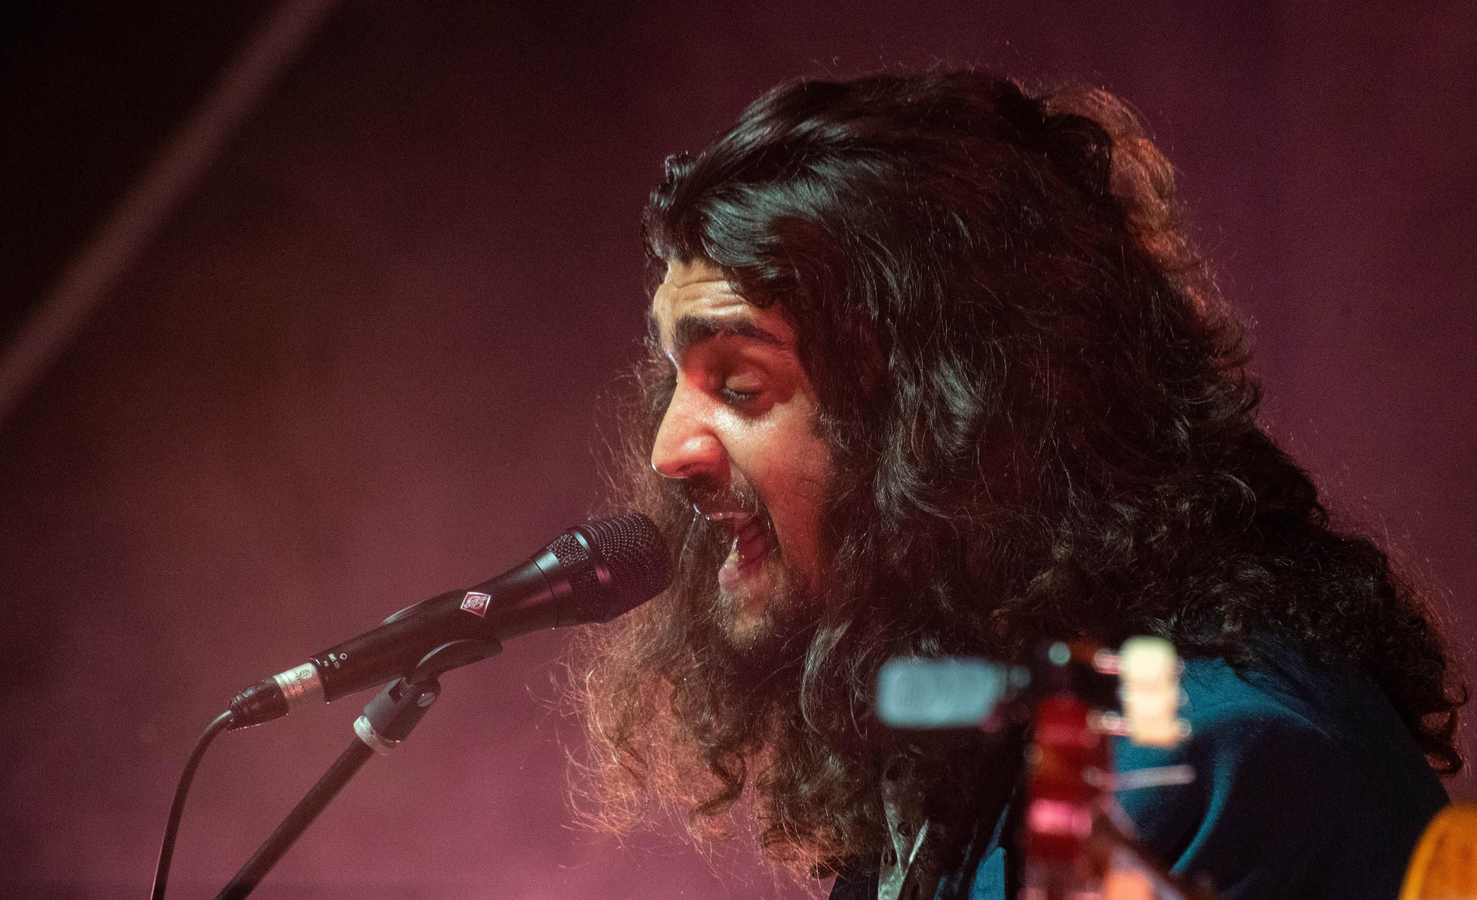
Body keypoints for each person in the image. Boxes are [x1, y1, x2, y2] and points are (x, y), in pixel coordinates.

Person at [564, 70, 1463, 900]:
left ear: (944, 413)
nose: (668, 450)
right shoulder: (984, 753)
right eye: (674, 381)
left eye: (740, 386)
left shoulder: (1196, 762)